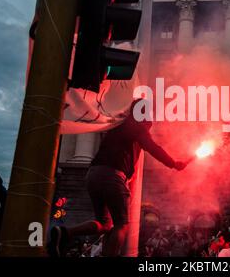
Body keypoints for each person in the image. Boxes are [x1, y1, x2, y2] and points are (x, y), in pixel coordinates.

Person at [48, 99, 189, 257]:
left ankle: (64, 232)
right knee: (122, 224)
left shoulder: (118, 125)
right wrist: (174, 164)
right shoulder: (137, 126)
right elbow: (153, 148)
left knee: (105, 224)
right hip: (112, 176)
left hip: (92, 174)